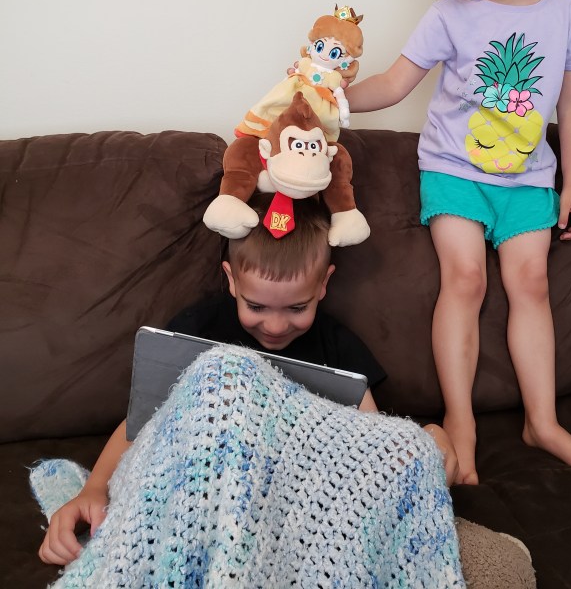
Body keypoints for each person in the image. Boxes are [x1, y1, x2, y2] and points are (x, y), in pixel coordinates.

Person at [345, 0, 571, 485]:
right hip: (454, 170)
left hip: (529, 178)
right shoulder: (450, 13)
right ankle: (460, 420)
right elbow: (393, 83)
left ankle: (542, 422)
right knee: (464, 279)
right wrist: (327, 97)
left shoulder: (567, 15)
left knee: (532, 285)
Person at [38, 194, 458, 567]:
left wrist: (426, 441)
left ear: (323, 284)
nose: (275, 326)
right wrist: (94, 489)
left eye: (297, 308)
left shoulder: (338, 346)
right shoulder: (196, 330)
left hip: (291, 498)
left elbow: (369, 438)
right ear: (231, 279)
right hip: (207, 482)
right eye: (256, 306)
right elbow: (145, 423)